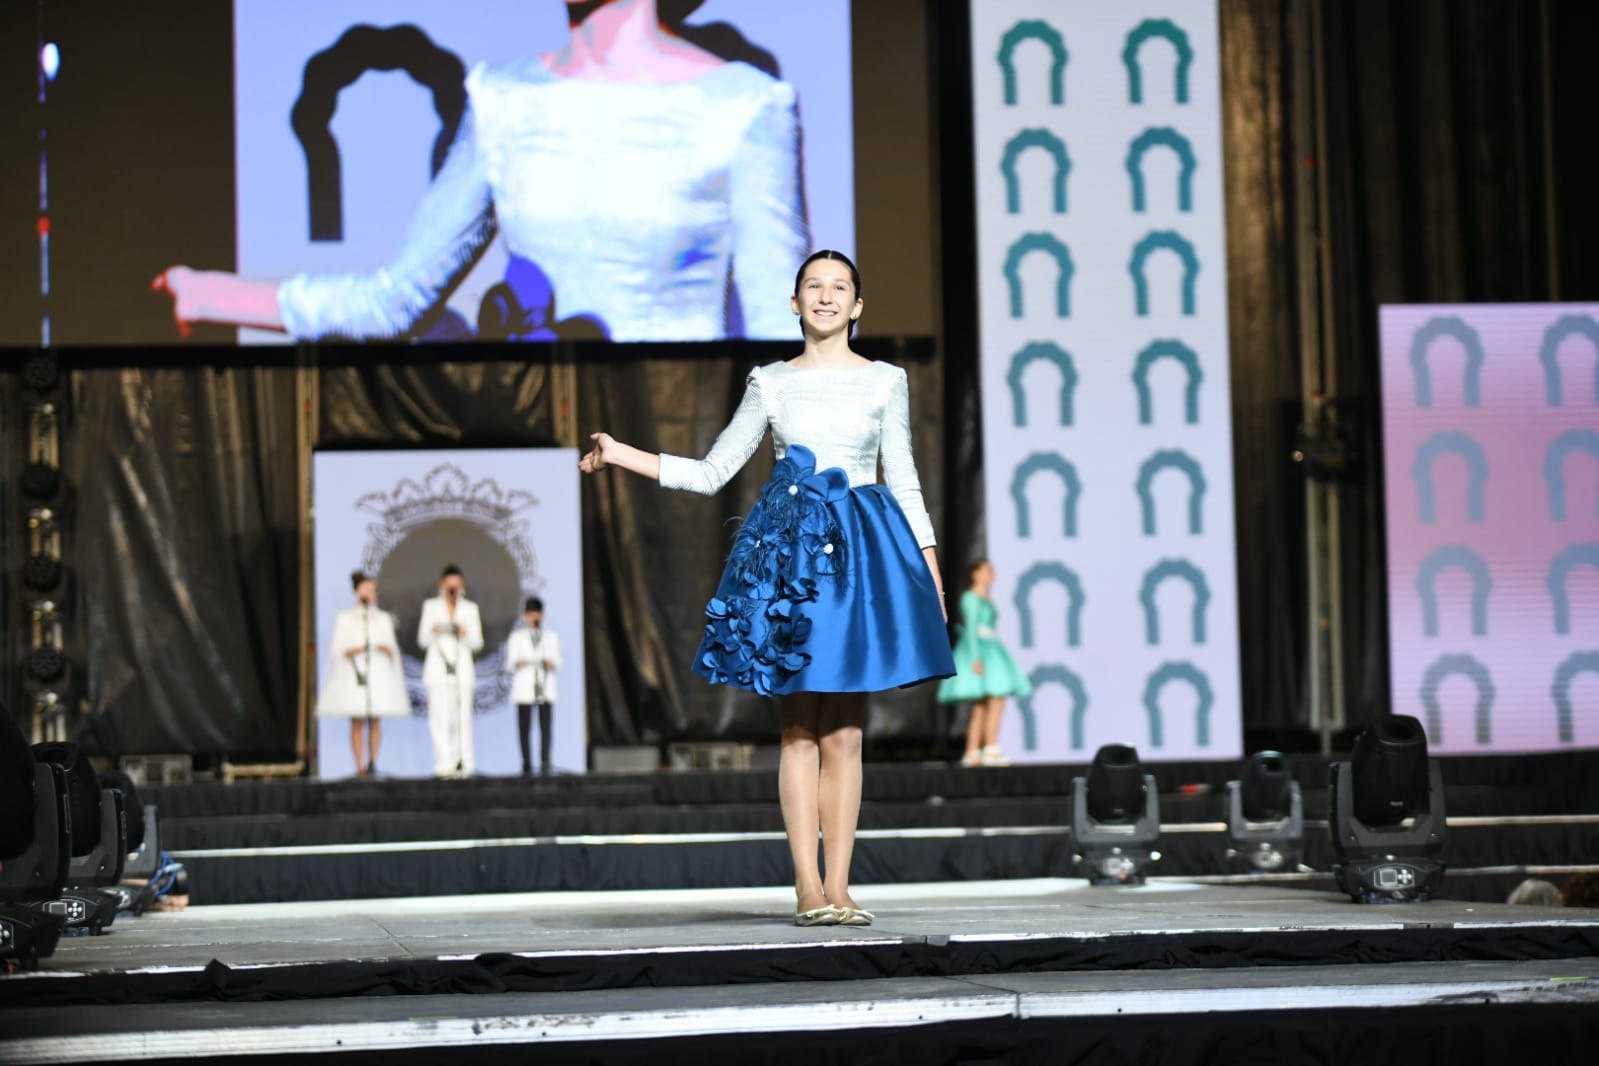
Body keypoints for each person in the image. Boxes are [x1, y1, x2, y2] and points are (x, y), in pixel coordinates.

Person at [579, 249, 954, 927]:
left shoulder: (885, 381)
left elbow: (902, 482)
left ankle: (840, 888)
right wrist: (620, 452)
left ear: (858, 305)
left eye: (840, 287)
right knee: (797, 728)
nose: (826, 296)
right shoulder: (771, 382)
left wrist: (927, 569)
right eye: (814, 286)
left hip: (859, 559)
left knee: (845, 729)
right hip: (791, 559)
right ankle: (806, 887)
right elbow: (713, 470)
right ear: (793, 302)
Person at [153, 0, 808, 342]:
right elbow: (395, 299)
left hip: (684, 464)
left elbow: (786, 336)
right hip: (554, 452)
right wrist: (209, 292)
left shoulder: (743, 107)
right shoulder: (504, 100)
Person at [936, 559, 1033, 768]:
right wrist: (975, 657)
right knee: (991, 701)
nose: (991, 575)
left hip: (991, 647)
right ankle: (989, 748)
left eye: (992, 571)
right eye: (986, 570)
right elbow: (971, 628)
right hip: (981, 650)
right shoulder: (971, 598)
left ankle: (974, 751)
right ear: (975, 574)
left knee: (984, 704)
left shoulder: (987, 598)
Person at [315, 570, 410, 777]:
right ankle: (358, 766)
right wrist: (353, 649)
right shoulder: (345, 618)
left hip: (377, 672)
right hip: (354, 673)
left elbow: (392, 647)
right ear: (356, 592)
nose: (369, 593)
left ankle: (373, 762)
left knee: (375, 719)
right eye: (365, 589)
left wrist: (385, 649)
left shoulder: (382, 618)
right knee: (356, 720)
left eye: (372, 590)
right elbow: (337, 649)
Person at [418, 565, 485, 777]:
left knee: (463, 719)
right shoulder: (431, 607)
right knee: (439, 718)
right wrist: (436, 629)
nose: (453, 590)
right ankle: (444, 764)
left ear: (462, 586)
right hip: (437, 671)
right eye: (449, 586)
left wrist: (464, 631)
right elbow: (422, 640)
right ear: (442, 585)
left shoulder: (470, 609)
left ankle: (464, 762)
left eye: (457, 586)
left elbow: (477, 643)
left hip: (462, 671)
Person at [507, 596, 563, 777]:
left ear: (542, 615)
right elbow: (509, 663)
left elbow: (558, 662)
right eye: (530, 614)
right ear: (525, 616)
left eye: (536, 614)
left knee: (545, 728)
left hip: (545, 687)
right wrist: (520, 663)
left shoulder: (550, 637)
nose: (533, 618)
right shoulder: (517, 637)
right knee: (524, 728)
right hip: (524, 689)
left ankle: (545, 763)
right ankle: (526, 765)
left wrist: (550, 663)